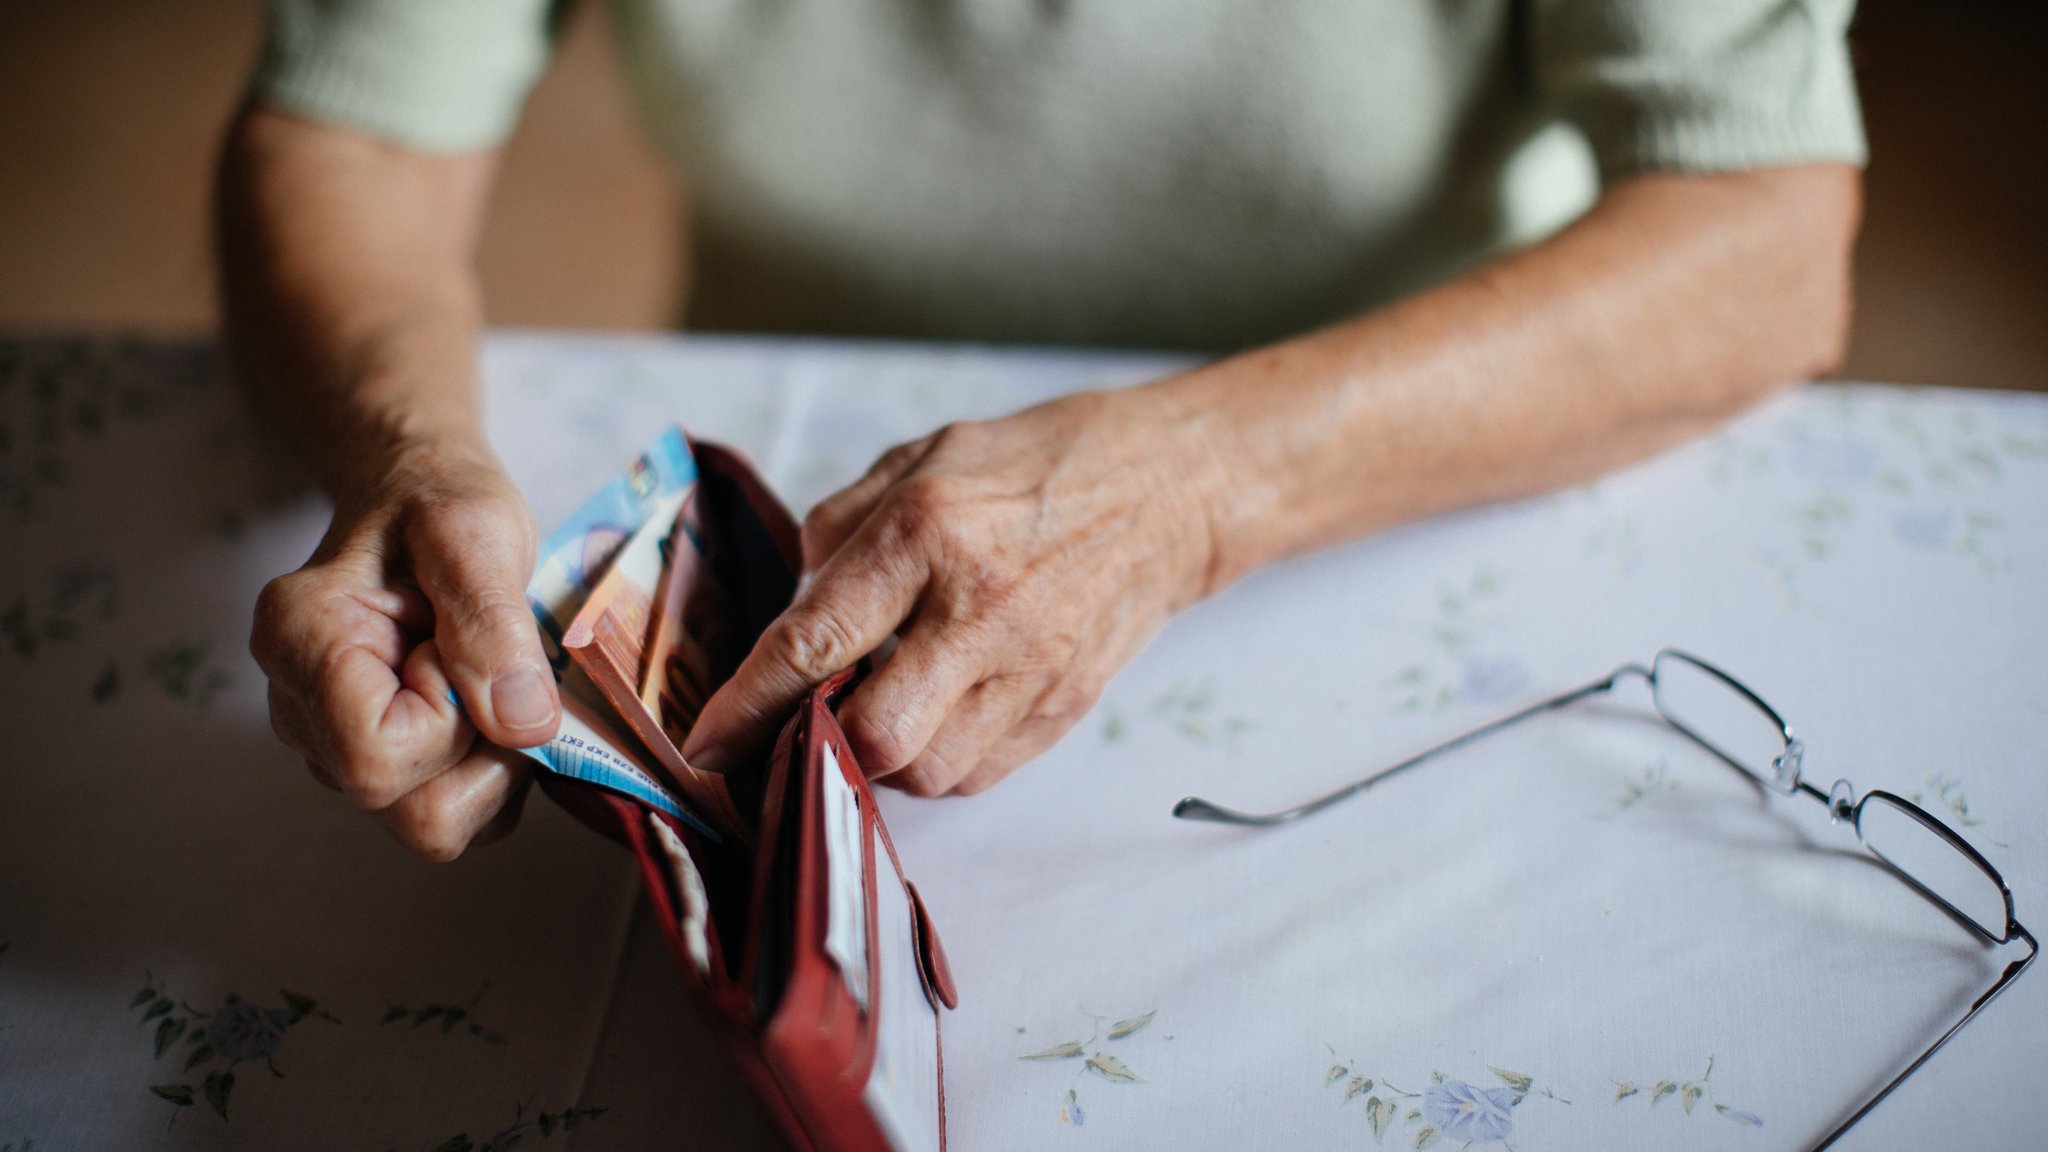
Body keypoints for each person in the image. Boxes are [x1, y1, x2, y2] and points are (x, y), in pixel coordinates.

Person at [232, 0, 1865, 861]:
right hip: (796, 490)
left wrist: (1197, 486)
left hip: (1402, 477)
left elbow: (1766, 237)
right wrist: (406, 456)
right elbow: (352, 129)